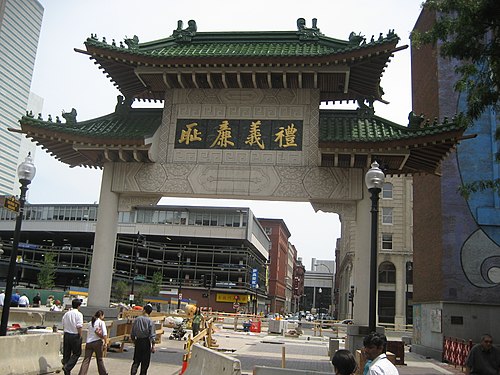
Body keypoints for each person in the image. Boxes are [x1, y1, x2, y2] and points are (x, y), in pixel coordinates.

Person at [77, 310, 108, 375]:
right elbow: (105, 334)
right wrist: (105, 342)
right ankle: (103, 373)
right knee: (99, 359)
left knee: (86, 360)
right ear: (101, 315)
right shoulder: (101, 322)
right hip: (97, 342)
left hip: (89, 343)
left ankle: (82, 373)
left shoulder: (90, 323)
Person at [130, 304, 156, 375]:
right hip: (146, 342)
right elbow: (152, 335)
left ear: (144, 310)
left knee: (136, 360)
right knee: (145, 362)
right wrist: (153, 346)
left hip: (138, 341)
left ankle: (133, 372)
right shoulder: (150, 321)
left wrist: (134, 341)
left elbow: (132, 332)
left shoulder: (137, 319)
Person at [62, 299, 84, 375]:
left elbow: (63, 323)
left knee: (66, 353)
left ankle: (66, 369)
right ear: (78, 306)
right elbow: (79, 326)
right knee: (77, 353)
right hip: (75, 335)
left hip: (67, 334)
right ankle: (67, 367)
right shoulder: (79, 314)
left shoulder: (67, 314)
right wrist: (80, 335)